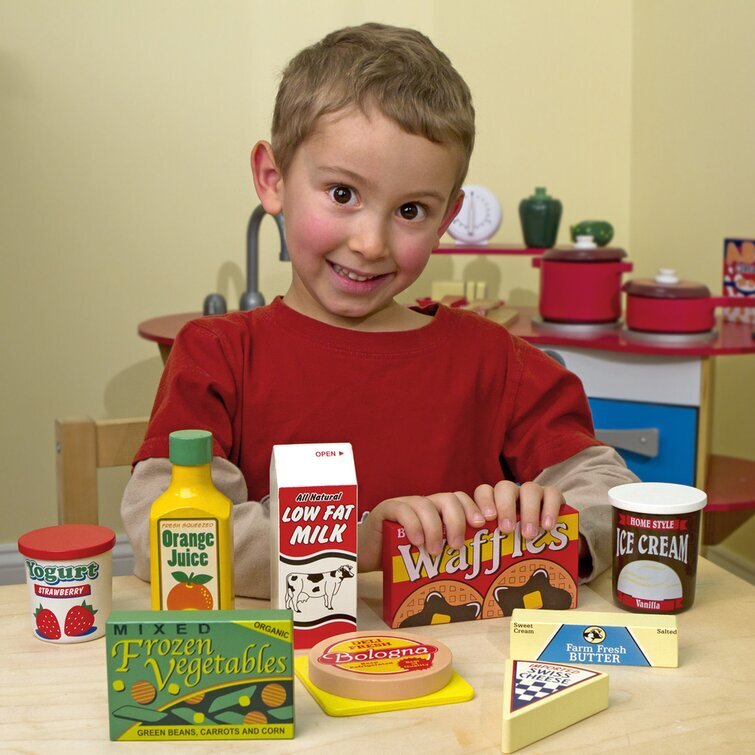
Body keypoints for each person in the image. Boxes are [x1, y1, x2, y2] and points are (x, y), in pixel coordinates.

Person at [122, 22, 637, 598]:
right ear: (273, 180)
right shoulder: (216, 355)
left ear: (446, 220)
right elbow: (164, 535)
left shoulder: (499, 363)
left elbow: (612, 496)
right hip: (287, 655)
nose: (371, 244)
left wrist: (549, 524)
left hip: (465, 652)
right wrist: (357, 544)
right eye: (342, 194)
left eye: (411, 210)